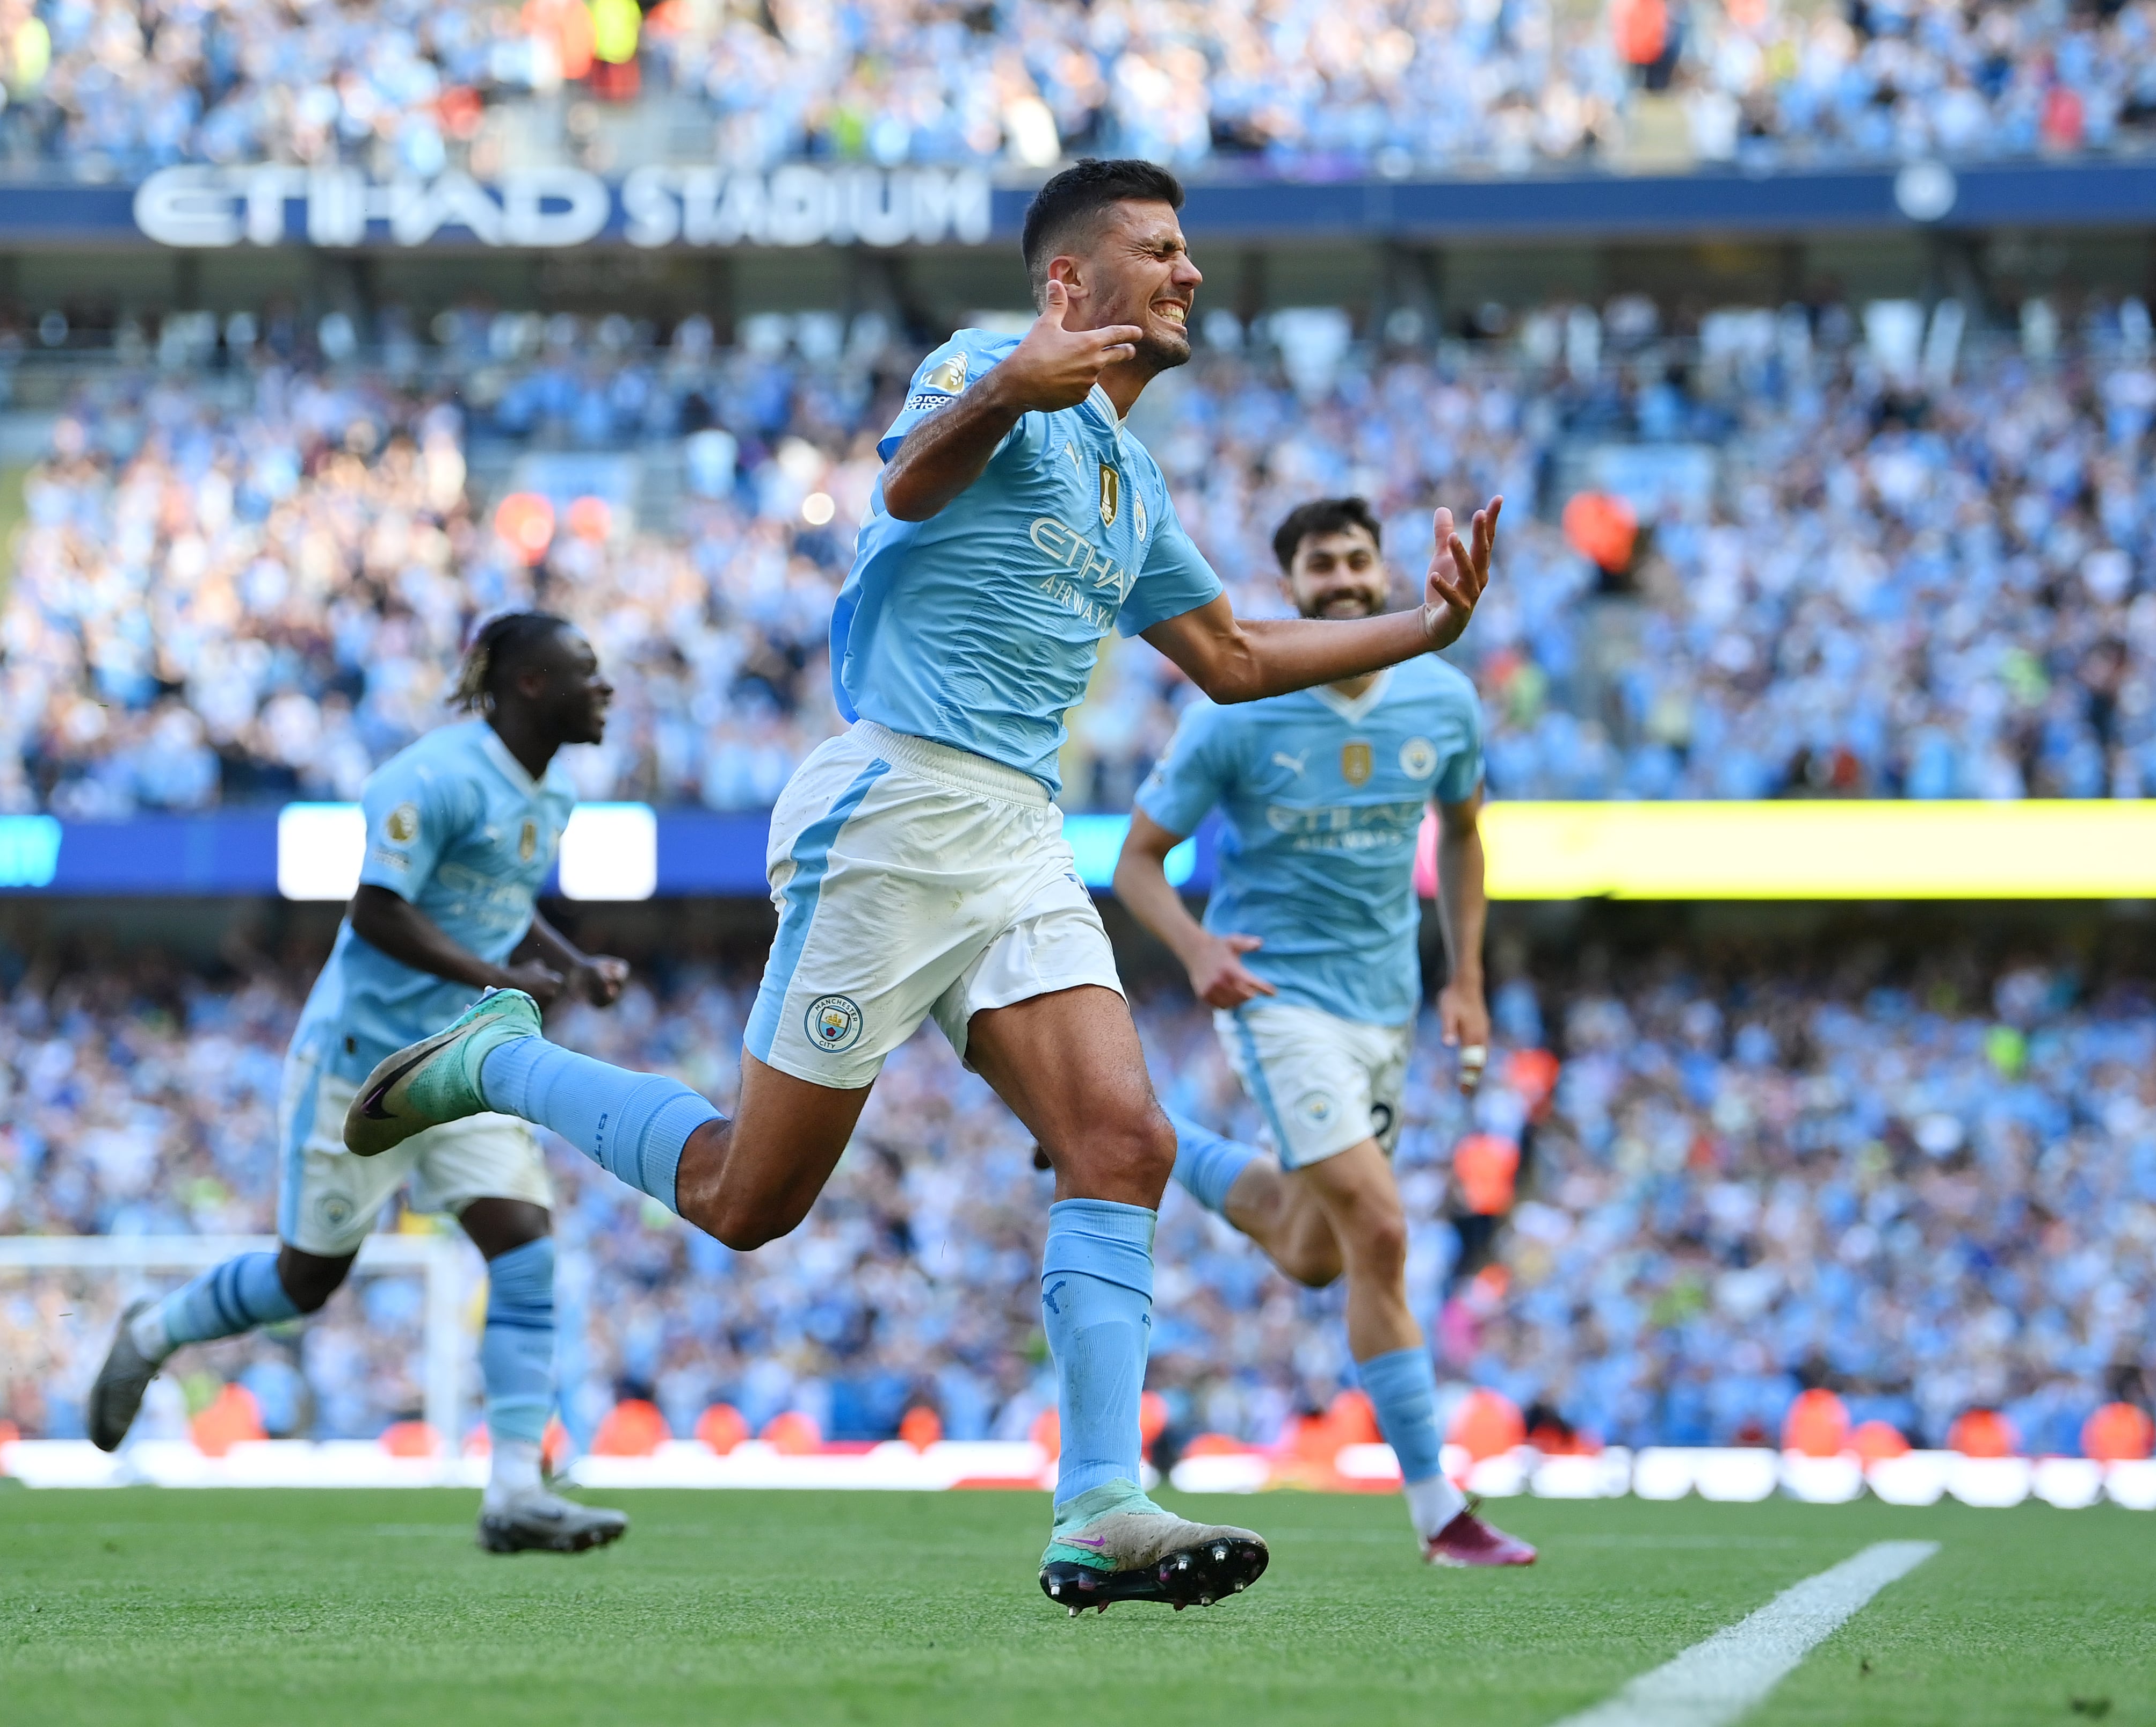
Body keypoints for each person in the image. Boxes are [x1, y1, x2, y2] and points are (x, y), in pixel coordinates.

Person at [341, 157, 1501, 1613]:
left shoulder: (1128, 481)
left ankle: (1097, 1506)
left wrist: (1425, 625)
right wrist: (1013, 384)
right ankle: (502, 1060)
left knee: (1123, 1143)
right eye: (1159, 250)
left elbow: (1235, 663)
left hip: (1015, 827)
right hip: (894, 805)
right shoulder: (987, 369)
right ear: (1071, 284)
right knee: (744, 1198)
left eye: (1188, 250)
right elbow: (908, 477)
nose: (1189, 274)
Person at [88, 612, 634, 1556]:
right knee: (304, 1285)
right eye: (586, 670)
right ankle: (156, 1327)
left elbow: (496, 909)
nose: (606, 688)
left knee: (525, 1244)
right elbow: (378, 913)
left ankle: (515, 1491)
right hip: (360, 1065)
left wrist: (572, 963)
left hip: (463, 1060)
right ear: (530, 684)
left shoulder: (554, 798)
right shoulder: (431, 777)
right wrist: (499, 977)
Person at [1112, 497, 1536, 1567]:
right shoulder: (1234, 711)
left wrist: (1468, 980)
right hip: (1276, 1001)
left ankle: (1158, 1147)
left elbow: (1467, 836)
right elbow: (1133, 860)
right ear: (1288, 588)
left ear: (1382, 571)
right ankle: (1441, 1510)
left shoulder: (1440, 699)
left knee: (1310, 1250)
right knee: (1380, 1235)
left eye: (1357, 561)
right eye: (1319, 567)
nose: (1342, 580)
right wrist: (1197, 948)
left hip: (1382, 1005)